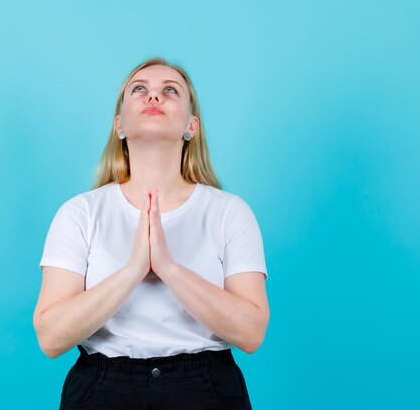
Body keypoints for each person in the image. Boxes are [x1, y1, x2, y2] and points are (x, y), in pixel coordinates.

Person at [33, 56, 270, 410]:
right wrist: (133, 270)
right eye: (139, 89)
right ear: (119, 125)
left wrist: (169, 268)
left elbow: (251, 333)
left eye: (169, 90)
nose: (153, 97)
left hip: (206, 390)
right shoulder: (80, 213)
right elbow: (51, 338)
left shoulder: (229, 212)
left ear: (192, 126)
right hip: (103, 390)